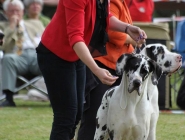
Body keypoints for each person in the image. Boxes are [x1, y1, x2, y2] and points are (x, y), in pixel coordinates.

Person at [36, 0, 147, 139]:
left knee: (76, 115)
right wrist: (96, 69)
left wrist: (127, 28)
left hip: (75, 55)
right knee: (66, 117)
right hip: (55, 55)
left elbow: (104, 16)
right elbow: (76, 37)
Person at [77, 0, 138, 139]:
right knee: (95, 117)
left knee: (112, 119)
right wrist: (133, 40)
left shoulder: (122, 2)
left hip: (114, 66)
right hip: (103, 65)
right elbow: (112, 32)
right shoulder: (114, 2)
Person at [0, 0, 45, 107]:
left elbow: (47, 40)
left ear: (23, 11)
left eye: (17, 10)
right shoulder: (2, 26)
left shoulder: (35, 23)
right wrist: (11, 27)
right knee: (8, 58)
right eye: (11, 11)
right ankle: (9, 98)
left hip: (36, 54)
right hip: (17, 56)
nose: (15, 13)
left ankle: (56, 97)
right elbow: (2, 46)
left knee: (52, 60)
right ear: (5, 13)